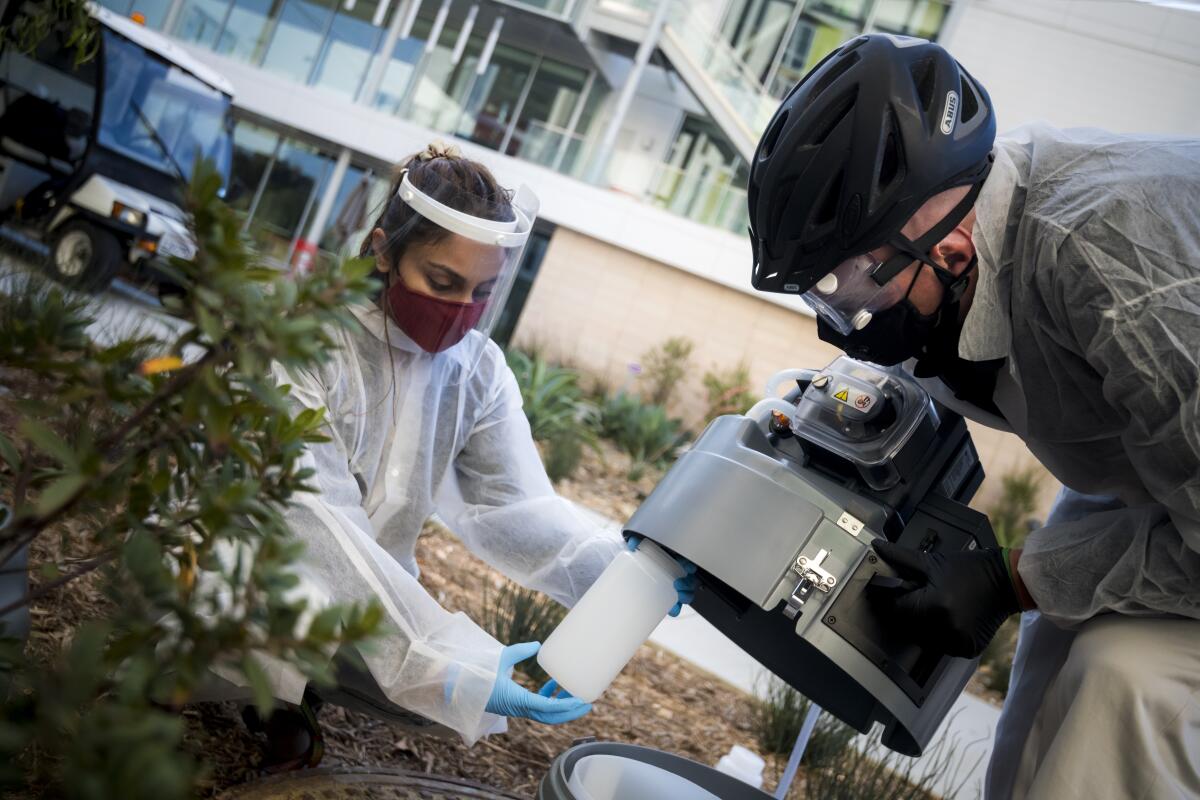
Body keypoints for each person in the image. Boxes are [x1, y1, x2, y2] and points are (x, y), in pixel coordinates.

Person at [746, 34, 1200, 799]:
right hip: (1165, 472)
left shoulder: (1113, 269)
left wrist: (1007, 579)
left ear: (951, 244)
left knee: (1124, 683)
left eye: (852, 289)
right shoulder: (963, 249)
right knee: (1050, 659)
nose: (843, 319)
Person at [214, 142, 696, 770]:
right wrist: (438, 656)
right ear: (385, 251)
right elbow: (314, 519)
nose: (460, 310)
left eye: (481, 291)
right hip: (258, 564)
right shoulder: (307, 342)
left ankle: (303, 690)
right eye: (441, 282)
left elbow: (513, 506)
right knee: (314, 613)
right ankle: (262, 698)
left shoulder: (476, 371)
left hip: (371, 592)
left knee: (436, 689)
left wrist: (623, 574)